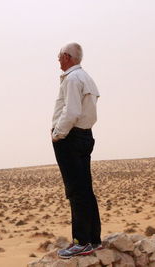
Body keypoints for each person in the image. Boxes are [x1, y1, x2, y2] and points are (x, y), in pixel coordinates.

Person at [51, 42, 101, 259]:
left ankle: (81, 242)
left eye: (60, 55)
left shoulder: (72, 79)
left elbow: (71, 112)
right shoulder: (85, 77)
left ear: (67, 57)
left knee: (76, 191)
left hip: (70, 138)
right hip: (85, 135)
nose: (58, 59)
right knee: (85, 189)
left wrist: (57, 133)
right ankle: (94, 239)